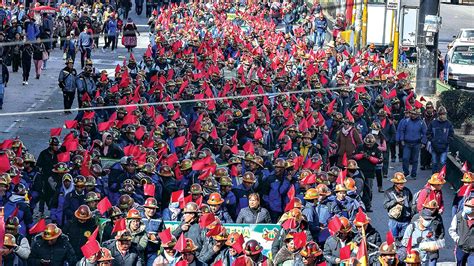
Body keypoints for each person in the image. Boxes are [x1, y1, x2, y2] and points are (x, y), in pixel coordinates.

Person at [399, 108, 427, 179]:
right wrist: (402, 139)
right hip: (407, 143)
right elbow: (402, 130)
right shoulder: (406, 121)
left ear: (418, 115)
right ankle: (406, 172)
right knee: (405, 158)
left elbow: (425, 133)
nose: (413, 115)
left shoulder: (421, 122)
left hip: (417, 143)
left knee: (415, 159)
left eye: (414, 114)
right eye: (412, 113)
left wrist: (423, 142)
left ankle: (413, 174)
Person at [384, 172, 413, 240]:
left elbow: (411, 204)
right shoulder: (388, 192)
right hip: (394, 221)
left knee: (405, 241)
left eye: (403, 183)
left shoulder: (407, 191)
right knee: (393, 241)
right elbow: (385, 205)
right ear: (395, 183)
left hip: (406, 220)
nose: (402, 185)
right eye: (400, 184)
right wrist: (395, 202)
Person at [427, 106, 454, 173]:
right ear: (438, 115)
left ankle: (441, 176)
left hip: (444, 147)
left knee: (442, 162)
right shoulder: (433, 123)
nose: (442, 116)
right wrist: (432, 141)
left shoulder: (449, 124)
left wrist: (447, 142)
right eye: (440, 114)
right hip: (434, 146)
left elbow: (451, 135)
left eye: (443, 114)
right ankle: (434, 176)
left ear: (446, 114)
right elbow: (428, 133)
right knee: (434, 162)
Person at [449, 196, 474, 266]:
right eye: (466, 205)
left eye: (469, 206)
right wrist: (457, 239)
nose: (467, 207)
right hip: (461, 247)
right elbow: (451, 230)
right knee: (460, 263)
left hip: (473, 249)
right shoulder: (458, 216)